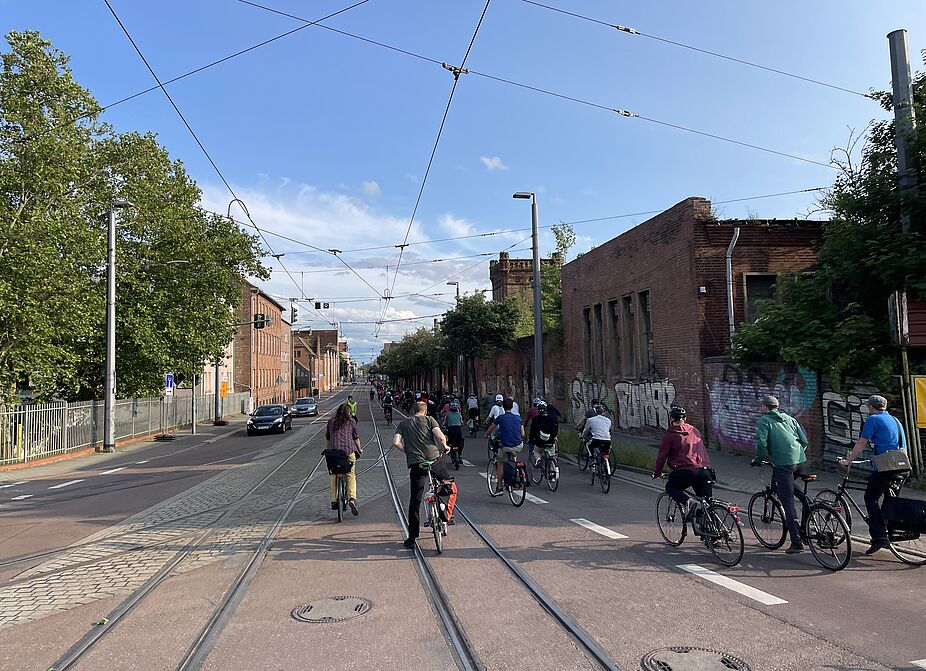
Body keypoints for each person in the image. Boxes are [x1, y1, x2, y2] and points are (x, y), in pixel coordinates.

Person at [838, 394, 911, 555]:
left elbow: (861, 444)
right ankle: (887, 531)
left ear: (870, 407)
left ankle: (879, 537)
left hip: (887, 468)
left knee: (870, 499)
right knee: (890, 501)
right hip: (903, 467)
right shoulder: (895, 420)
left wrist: (848, 460)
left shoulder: (873, 420)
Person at [753, 395, 809, 555]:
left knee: (788, 502)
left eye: (761, 406)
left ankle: (797, 542)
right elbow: (804, 440)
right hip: (799, 461)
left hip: (783, 464)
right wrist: (796, 456)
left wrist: (758, 459)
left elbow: (761, 442)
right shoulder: (790, 419)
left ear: (765, 407)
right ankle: (808, 513)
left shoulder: (765, 420)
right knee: (793, 490)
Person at [394, 401, 451, 548]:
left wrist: (407, 451)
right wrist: (445, 446)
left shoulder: (404, 423)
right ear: (425, 412)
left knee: (415, 500)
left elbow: (396, 442)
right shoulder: (430, 419)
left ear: (413, 411)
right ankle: (445, 515)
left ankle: (412, 537)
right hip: (434, 461)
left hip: (417, 465)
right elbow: (440, 437)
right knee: (449, 485)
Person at [652, 406, 713, 519]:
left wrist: (657, 472)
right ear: (685, 418)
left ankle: (688, 501)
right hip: (705, 470)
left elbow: (662, 456)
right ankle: (714, 533)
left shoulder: (670, 435)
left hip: (684, 471)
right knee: (707, 504)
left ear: (671, 418)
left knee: (671, 487)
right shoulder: (695, 430)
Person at [325, 403, 362, 516]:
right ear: (349, 413)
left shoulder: (331, 422)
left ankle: (334, 501)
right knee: (351, 474)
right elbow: (355, 438)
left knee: (333, 476)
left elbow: (328, 438)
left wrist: (329, 450)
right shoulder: (351, 422)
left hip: (334, 454)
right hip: (348, 452)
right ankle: (352, 498)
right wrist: (359, 450)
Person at [484, 398, 524, 495]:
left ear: (503, 406)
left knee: (500, 463)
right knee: (513, 457)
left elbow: (491, 428)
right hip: (519, 445)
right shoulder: (518, 418)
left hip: (506, 446)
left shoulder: (501, 418)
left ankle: (499, 487)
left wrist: (486, 435)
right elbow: (523, 434)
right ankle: (516, 475)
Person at [528, 401, 559, 466]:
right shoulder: (551, 419)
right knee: (552, 455)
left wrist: (531, 440)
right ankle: (554, 469)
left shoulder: (535, 419)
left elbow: (532, 432)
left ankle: (538, 459)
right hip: (550, 442)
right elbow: (555, 431)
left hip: (539, 442)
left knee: (536, 451)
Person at [443, 400, 465, 466]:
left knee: (449, 441)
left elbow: (445, 421)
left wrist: (443, 425)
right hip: (458, 430)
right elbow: (462, 422)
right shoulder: (459, 414)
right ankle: (460, 455)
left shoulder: (447, 414)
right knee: (460, 442)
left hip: (450, 430)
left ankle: (449, 449)